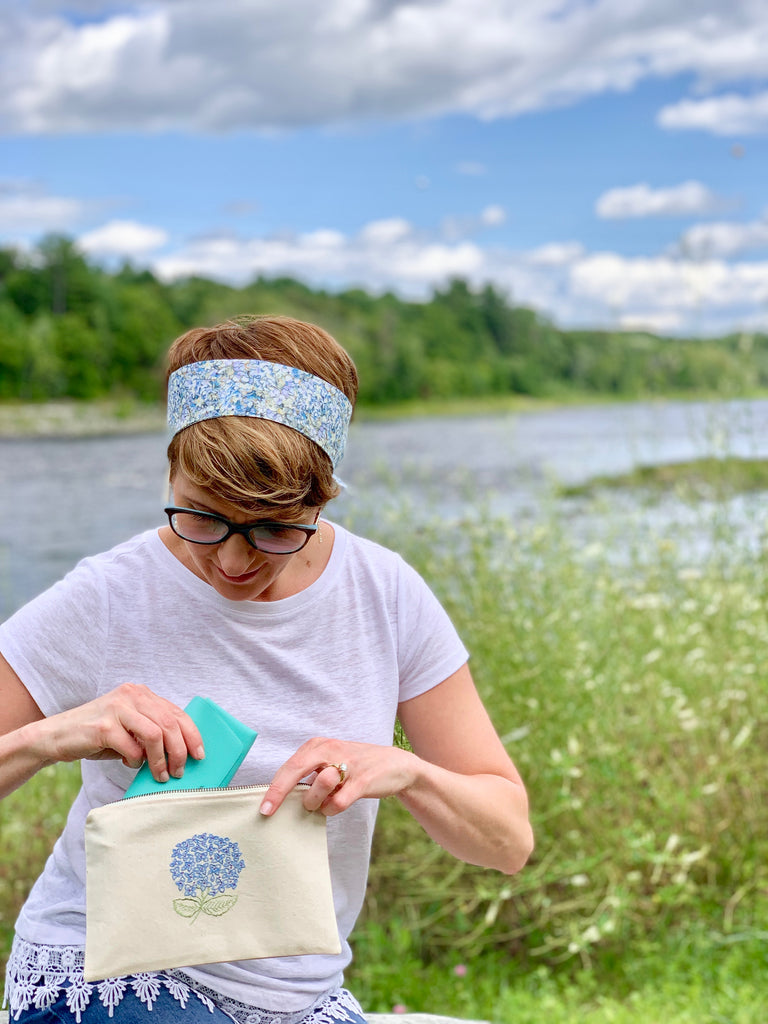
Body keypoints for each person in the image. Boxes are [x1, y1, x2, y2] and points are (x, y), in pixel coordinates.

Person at [0, 315, 533, 1024]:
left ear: (324, 497)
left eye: (275, 528)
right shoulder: (107, 594)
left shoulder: (386, 593)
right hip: (109, 973)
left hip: (301, 999)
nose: (231, 561)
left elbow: (507, 841)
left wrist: (408, 771)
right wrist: (57, 735)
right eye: (201, 517)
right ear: (169, 474)